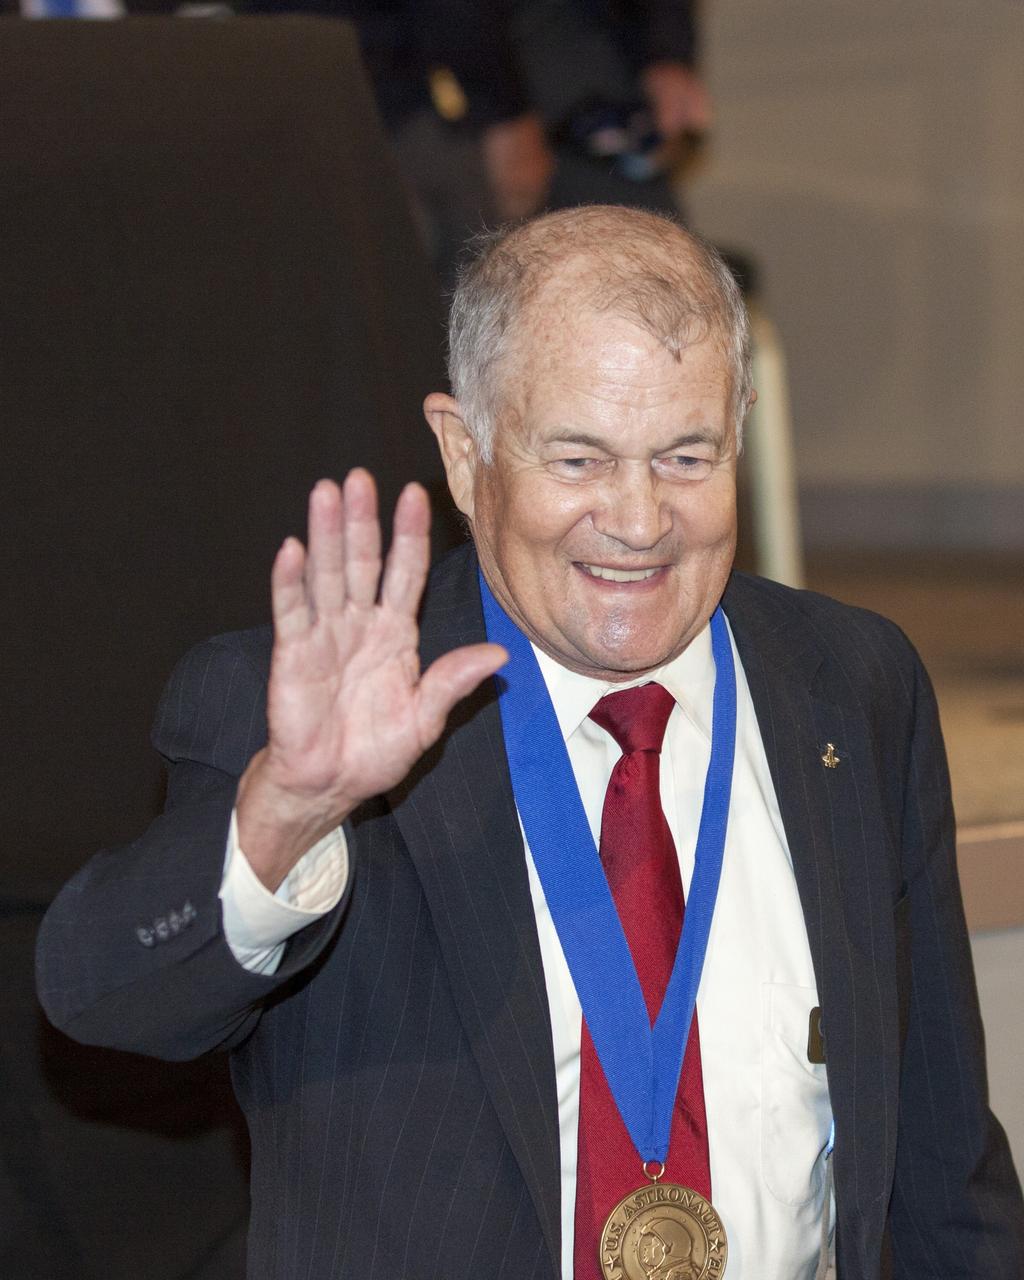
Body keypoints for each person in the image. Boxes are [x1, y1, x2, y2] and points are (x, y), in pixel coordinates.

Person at [38, 206, 1024, 1280]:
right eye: (580, 459)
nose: (640, 519)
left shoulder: (850, 685)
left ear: (738, 429)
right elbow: (102, 998)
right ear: (466, 453)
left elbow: (940, 1159)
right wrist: (287, 813)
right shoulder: (313, 712)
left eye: (685, 456)